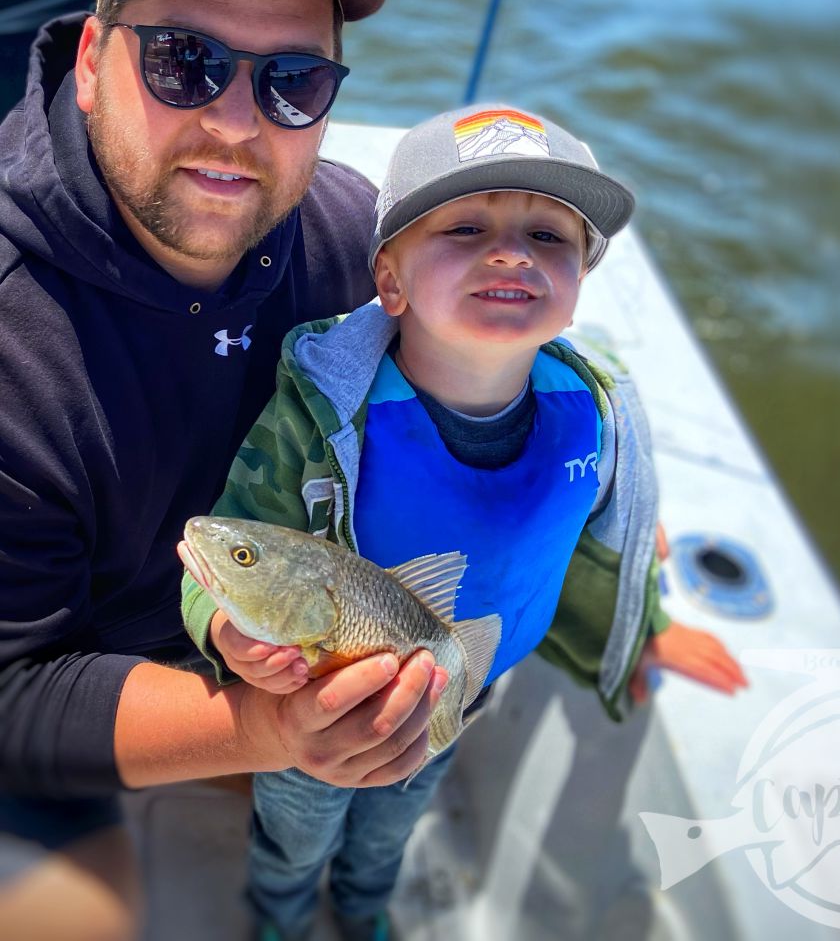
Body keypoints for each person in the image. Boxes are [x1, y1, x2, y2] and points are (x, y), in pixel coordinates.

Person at [0, 0, 448, 940]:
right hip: (62, 681)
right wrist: (262, 730)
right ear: (96, 62)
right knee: (77, 925)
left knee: (384, 772)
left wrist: (608, 503)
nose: (237, 127)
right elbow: (10, 693)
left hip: (255, 634)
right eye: (184, 63)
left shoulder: (352, 241)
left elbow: (505, 364)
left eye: (293, 83)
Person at [182, 104, 748, 941]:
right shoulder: (323, 414)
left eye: (550, 236)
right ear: (391, 280)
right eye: (466, 226)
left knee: (390, 828)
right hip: (315, 707)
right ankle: (281, 915)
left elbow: (610, 537)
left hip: (459, 698)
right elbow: (237, 543)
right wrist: (224, 632)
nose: (512, 251)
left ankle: (367, 905)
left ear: (581, 277)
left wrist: (647, 627)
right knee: (294, 833)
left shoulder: (596, 411)